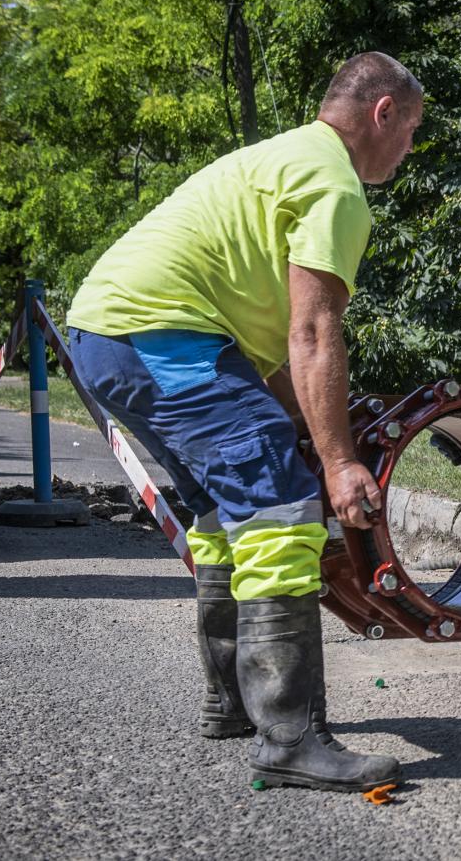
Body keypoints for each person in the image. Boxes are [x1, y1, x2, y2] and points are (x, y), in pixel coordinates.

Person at [65, 52, 424, 793]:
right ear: (383, 112)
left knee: (226, 511)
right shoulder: (333, 185)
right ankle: (289, 737)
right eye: (412, 130)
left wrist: (308, 431)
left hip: (118, 334)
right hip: (161, 336)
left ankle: (232, 704)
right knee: (281, 507)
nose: (409, 149)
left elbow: (278, 369)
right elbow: (315, 334)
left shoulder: (283, 155)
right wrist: (335, 462)